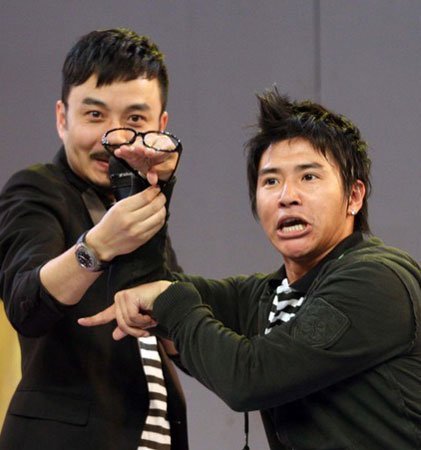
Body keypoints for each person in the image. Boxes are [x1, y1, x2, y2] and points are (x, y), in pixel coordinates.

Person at [81, 88, 421, 449]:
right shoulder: (268, 295)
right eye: (271, 181)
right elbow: (144, 289)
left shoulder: (377, 281)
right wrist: (143, 186)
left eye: (309, 177)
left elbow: (248, 380)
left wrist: (171, 302)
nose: (287, 196)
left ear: (354, 196)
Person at [0, 28, 188, 450]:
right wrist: (98, 247)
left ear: (161, 127)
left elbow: (178, 338)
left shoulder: (139, 206)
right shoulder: (37, 188)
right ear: (62, 118)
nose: (113, 140)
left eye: (134, 120)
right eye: (95, 115)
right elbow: (25, 304)